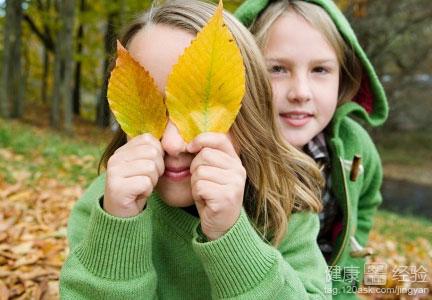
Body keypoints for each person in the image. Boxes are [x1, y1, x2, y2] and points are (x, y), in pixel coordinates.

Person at [59, 1, 331, 299]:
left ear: (251, 114)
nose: (173, 144)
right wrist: (117, 229)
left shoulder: (285, 207)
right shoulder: (104, 206)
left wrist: (232, 237)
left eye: (199, 110)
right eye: (153, 111)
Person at [235, 0, 388, 298]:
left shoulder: (356, 147)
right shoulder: (228, 153)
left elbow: (364, 209)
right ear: (242, 72)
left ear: (344, 77)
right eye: (277, 69)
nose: (300, 92)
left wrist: (343, 292)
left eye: (320, 70)